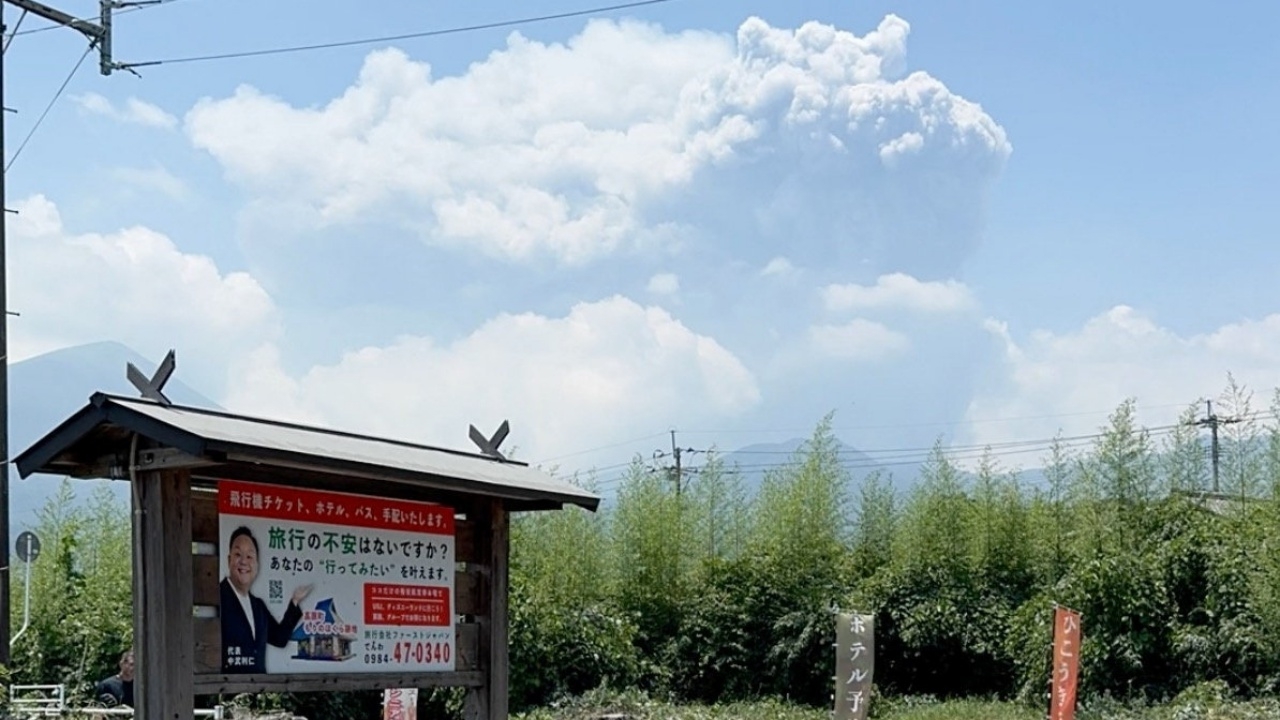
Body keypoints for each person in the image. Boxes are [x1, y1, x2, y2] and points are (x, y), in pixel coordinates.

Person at [220, 526, 313, 673]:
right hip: (226, 690)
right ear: (228, 559)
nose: (244, 561)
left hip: (257, 689)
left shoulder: (258, 606)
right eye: (238, 554)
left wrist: (295, 601)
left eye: (250, 556)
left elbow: (279, 638)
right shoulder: (217, 598)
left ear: (257, 565)